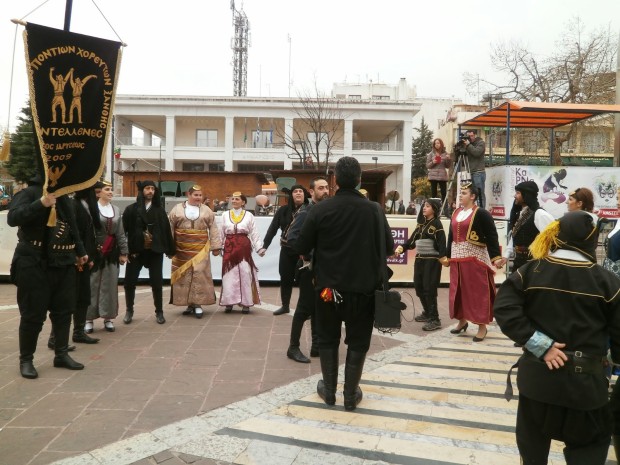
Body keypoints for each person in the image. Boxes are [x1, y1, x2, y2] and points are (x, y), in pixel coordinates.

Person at [494, 210, 620, 465]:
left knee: (532, 454)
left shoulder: (530, 271)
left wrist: (542, 345)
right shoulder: (608, 282)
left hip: (537, 383)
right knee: (587, 451)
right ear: (591, 239)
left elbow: (504, 308)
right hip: (585, 389)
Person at [294, 157, 395, 411]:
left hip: (328, 290)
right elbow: (388, 248)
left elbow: (302, 246)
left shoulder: (320, 209)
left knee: (327, 339)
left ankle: (329, 392)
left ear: (335, 181)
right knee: (359, 341)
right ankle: (350, 395)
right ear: (359, 180)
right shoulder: (374, 210)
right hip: (364, 290)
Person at [8, 174, 88, 378]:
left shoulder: (64, 197)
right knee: (33, 314)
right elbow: (13, 218)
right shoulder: (29, 193)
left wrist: (80, 251)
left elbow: (72, 225)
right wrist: (40, 204)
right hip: (34, 262)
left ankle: (61, 354)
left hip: (64, 262)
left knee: (64, 312)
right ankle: (26, 360)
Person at [445, 183, 503, 342]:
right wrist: (447, 255)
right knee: (458, 291)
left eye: (464, 193)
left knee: (477, 292)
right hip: (457, 258)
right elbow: (450, 235)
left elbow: (491, 235)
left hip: (475, 259)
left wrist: (496, 257)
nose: (460, 195)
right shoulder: (456, 212)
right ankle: (462, 320)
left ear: (472, 196)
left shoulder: (481, 213)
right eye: (460, 193)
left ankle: (482, 326)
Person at [281, 176, 330, 363]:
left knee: (320, 306)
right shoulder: (305, 212)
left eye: (327, 188)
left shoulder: (327, 210)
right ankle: (293, 347)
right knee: (304, 308)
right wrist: (308, 254)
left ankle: (316, 346)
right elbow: (291, 237)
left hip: (323, 268)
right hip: (308, 268)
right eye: (321, 188)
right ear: (311, 191)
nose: (325, 191)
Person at [122, 180, 176, 325]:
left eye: (152, 188)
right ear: (142, 191)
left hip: (154, 251)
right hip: (136, 251)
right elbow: (123, 232)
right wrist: (124, 251)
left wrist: (170, 250)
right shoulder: (131, 209)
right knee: (129, 282)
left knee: (157, 283)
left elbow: (166, 231)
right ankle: (129, 310)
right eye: (147, 188)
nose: (150, 191)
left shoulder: (159, 210)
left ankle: (159, 311)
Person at [168, 185, 222, 318]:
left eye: (200, 195)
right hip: (181, 249)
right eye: (195, 195)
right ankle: (189, 303)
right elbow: (170, 227)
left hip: (201, 249)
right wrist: (169, 247)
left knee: (199, 274)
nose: (198, 197)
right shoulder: (177, 209)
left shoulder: (207, 210)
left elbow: (213, 228)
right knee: (184, 276)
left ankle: (198, 303)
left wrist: (216, 247)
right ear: (188, 194)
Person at [395, 198, 447, 331]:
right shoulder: (421, 225)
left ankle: (435, 319)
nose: (424, 208)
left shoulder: (437, 224)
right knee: (419, 286)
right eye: (424, 205)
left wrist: (443, 257)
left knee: (429, 288)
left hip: (432, 260)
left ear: (434, 209)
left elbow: (442, 242)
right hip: (420, 259)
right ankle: (427, 312)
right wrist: (400, 249)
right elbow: (411, 242)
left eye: (428, 206)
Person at [84, 181, 128, 333]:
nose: (110, 192)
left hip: (111, 252)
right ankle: (88, 319)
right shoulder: (91, 209)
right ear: (99, 192)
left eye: (111, 189)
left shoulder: (116, 209)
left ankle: (108, 318)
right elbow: (87, 232)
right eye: (107, 189)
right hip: (95, 252)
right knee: (92, 284)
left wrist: (123, 252)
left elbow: (120, 233)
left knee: (110, 285)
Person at [263, 184, 309, 315]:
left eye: (301, 191)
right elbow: (272, 228)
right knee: (285, 277)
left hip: (303, 251)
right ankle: (285, 306)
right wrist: (265, 246)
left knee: (304, 281)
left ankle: (306, 309)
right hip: (286, 250)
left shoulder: (310, 210)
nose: (298, 193)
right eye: (295, 191)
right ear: (291, 195)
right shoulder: (283, 210)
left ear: (305, 195)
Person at [219, 192, 265, 314]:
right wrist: (218, 247)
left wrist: (259, 248)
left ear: (243, 202)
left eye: (237, 199)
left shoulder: (249, 215)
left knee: (245, 273)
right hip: (229, 246)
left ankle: (246, 303)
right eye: (233, 199)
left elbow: (254, 232)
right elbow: (221, 232)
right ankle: (229, 302)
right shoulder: (225, 215)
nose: (234, 201)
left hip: (243, 247)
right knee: (229, 274)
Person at [69, 186, 101, 345]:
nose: (98, 195)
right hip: (75, 260)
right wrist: (78, 254)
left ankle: (79, 332)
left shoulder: (86, 207)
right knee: (68, 299)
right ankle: (55, 338)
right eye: (96, 192)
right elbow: (73, 233)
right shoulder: (74, 205)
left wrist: (91, 256)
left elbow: (89, 235)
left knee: (83, 297)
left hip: (86, 258)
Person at [504, 181, 554, 271]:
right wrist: (506, 256)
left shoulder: (540, 214)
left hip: (534, 265)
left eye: (518, 193)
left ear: (526, 195)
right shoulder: (521, 214)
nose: (515, 196)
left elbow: (550, 241)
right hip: (519, 262)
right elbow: (515, 235)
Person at [463, 130, 486, 209]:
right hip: (471, 172)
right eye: (468, 136)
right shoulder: (468, 145)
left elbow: (477, 153)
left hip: (478, 172)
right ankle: (474, 209)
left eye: (471, 136)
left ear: (475, 135)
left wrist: (468, 145)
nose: (470, 138)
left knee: (480, 193)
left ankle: (481, 211)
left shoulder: (481, 143)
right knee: (472, 194)